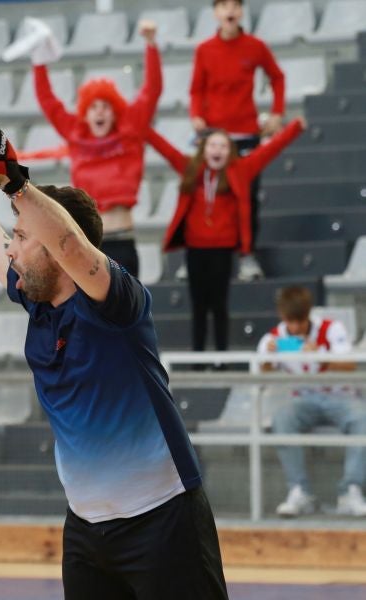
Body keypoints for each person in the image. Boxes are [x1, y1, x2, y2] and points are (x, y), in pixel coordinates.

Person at [0, 89, 227, 597]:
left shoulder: (117, 304)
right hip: (86, 529)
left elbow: (72, 244)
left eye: (22, 236)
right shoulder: (36, 300)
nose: (10, 246)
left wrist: (17, 182)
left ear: (54, 248)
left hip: (164, 521)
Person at [12, 18, 160, 277]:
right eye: (94, 107)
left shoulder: (130, 134)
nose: (100, 112)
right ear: (85, 113)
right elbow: (49, 102)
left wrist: (150, 44)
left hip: (122, 240)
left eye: (106, 107)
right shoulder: (75, 135)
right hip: (87, 244)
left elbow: (152, 91)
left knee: (126, 315)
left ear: (115, 113)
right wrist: (39, 62)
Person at [146, 119, 304, 355]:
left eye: (223, 146)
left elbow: (269, 150)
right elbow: (165, 149)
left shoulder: (240, 170)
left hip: (222, 248)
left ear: (230, 151)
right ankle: (198, 356)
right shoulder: (191, 168)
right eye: (212, 145)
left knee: (219, 305)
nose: (217, 151)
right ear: (203, 149)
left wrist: (295, 128)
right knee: (198, 305)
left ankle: (221, 355)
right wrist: (142, 127)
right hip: (195, 248)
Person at [190, 0, 285, 282]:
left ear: (241, 10)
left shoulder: (255, 47)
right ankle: (199, 254)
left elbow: (277, 77)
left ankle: (246, 256)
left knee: (246, 199)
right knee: (204, 197)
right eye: (223, 5)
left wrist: (277, 113)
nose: (229, 11)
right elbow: (196, 90)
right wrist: (196, 116)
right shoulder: (204, 50)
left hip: (245, 136)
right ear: (215, 12)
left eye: (234, 5)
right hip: (214, 137)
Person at [257, 286, 365, 518]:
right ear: (281, 316)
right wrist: (269, 359)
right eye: (290, 322)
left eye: (301, 321)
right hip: (303, 399)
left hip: (340, 396)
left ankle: (350, 491)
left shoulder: (331, 328)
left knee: (363, 418)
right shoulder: (273, 338)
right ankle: (299, 491)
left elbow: (350, 365)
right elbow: (260, 374)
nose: (295, 328)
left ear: (309, 314)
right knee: (282, 418)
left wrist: (322, 356)